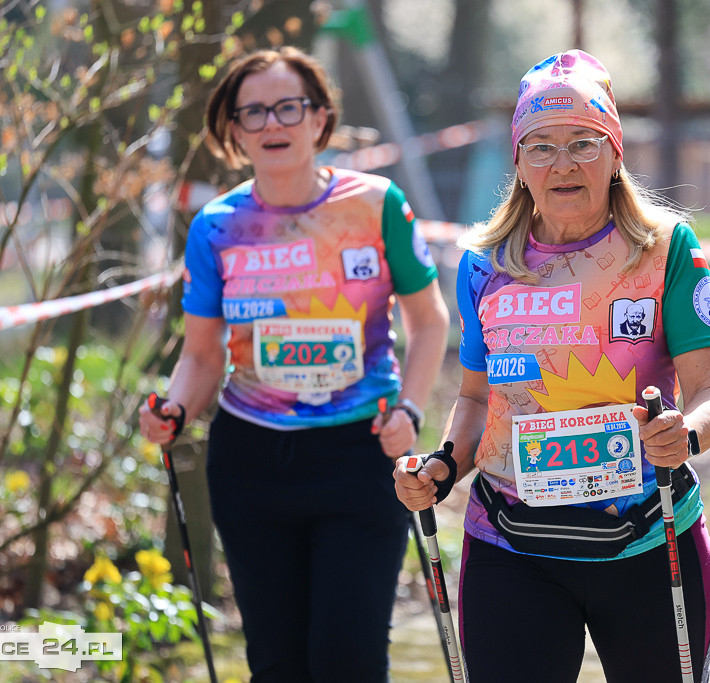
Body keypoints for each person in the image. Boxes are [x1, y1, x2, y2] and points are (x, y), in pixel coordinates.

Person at [394, 49, 710, 682]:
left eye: (583, 142)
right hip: (511, 543)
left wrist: (683, 435)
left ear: (615, 153)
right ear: (519, 163)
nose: (564, 162)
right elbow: (474, 401)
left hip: (647, 535)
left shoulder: (665, 248)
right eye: (542, 146)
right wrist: (441, 465)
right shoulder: (483, 263)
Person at [139, 47, 450, 682]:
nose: (271, 124)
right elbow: (200, 357)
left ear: (320, 119)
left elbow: (430, 321)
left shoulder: (377, 204)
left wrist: (410, 410)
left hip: (359, 456)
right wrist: (171, 409)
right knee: (277, 665)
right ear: (232, 131)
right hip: (252, 462)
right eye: (252, 113)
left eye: (288, 107)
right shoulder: (217, 226)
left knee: (348, 661)